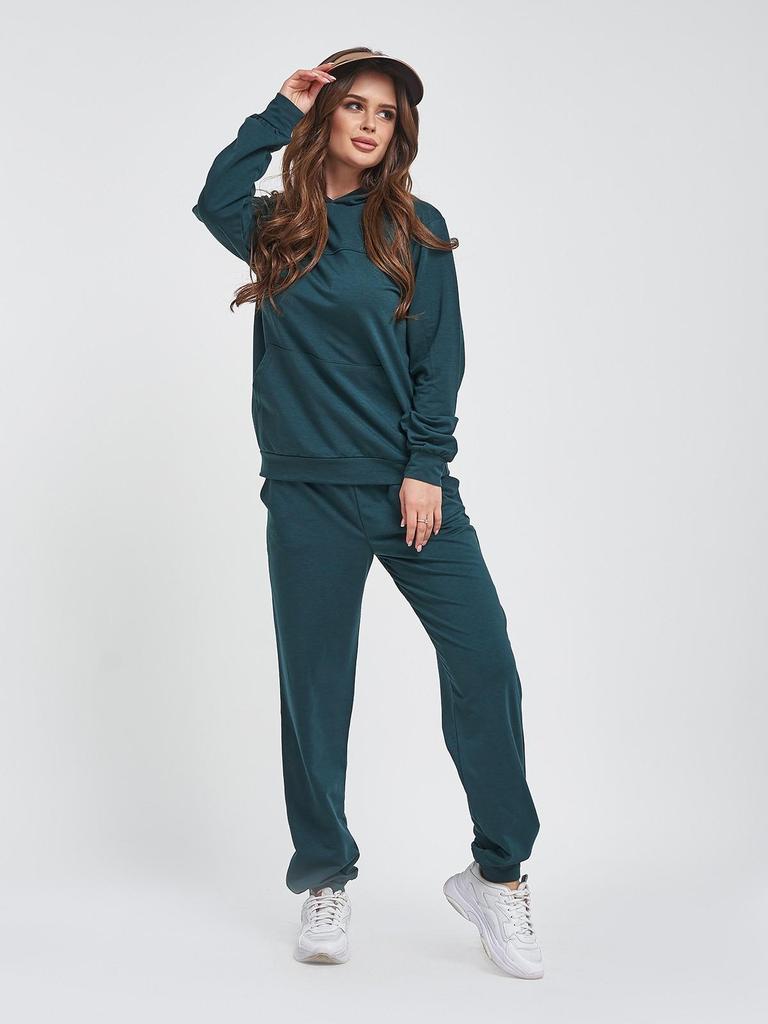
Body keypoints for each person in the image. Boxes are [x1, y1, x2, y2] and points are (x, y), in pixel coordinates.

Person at [192, 47, 544, 979]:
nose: (371, 124)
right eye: (355, 105)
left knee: (485, 662)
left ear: (400, 133)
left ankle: (498, 875)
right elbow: (213, 197)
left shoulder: (414, 228)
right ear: (328, 116)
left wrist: (426, 466)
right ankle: (324, 876)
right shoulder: (279, 227)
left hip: (409, 490)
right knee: (315, 688)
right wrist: (280, 107)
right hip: (306, 490)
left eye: (386, 114)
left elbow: (440, 359)